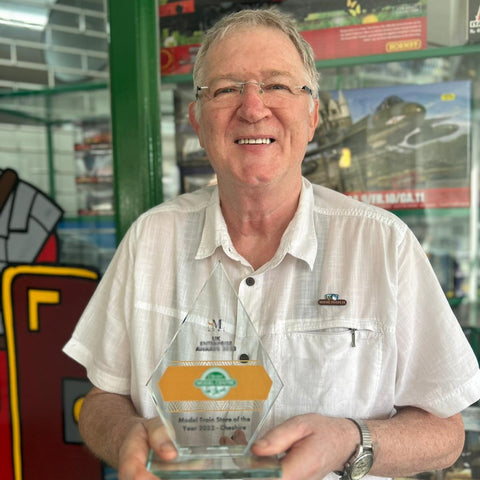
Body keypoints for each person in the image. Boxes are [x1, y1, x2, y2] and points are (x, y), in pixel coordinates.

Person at [63, 8, 480, 480]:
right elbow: (102, 399)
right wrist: (125, 436)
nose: (253, 107)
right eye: (225, 89)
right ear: (197, 121)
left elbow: (447, 432)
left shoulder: (383, 245)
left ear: (312, 115)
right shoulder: (149, 240)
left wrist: (350, 441)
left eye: (278, 86)